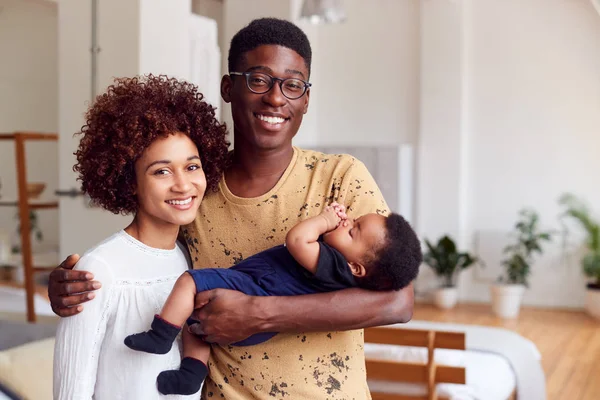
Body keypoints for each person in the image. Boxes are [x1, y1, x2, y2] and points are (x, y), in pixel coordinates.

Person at [49, 18, 416, 399]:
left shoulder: (339, 177)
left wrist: (261, 314)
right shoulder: (196, 186)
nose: (276, 98)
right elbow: (144, 258)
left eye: (292, 85)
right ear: (229, 87)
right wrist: (82, 285)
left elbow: (397, 301)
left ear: (306, 98)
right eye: (259, 79)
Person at [52, 75, 229, 399]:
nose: (183, 185)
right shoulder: (99, 269)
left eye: (192, 167)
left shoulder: (188, 258)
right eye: (161, 171)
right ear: (129, 181)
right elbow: (70, 390)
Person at [124, 202, 421, 395]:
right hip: (254, 323)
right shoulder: (346, 273)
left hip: (254, 289)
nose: (346, 222)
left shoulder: (332, 265)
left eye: (353, 230)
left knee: (190, 282)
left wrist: (325, 219)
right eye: (352, 219)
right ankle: (191, 375)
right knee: (198, 322)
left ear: (356, 268)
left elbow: (297, 240)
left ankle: (161, 334)